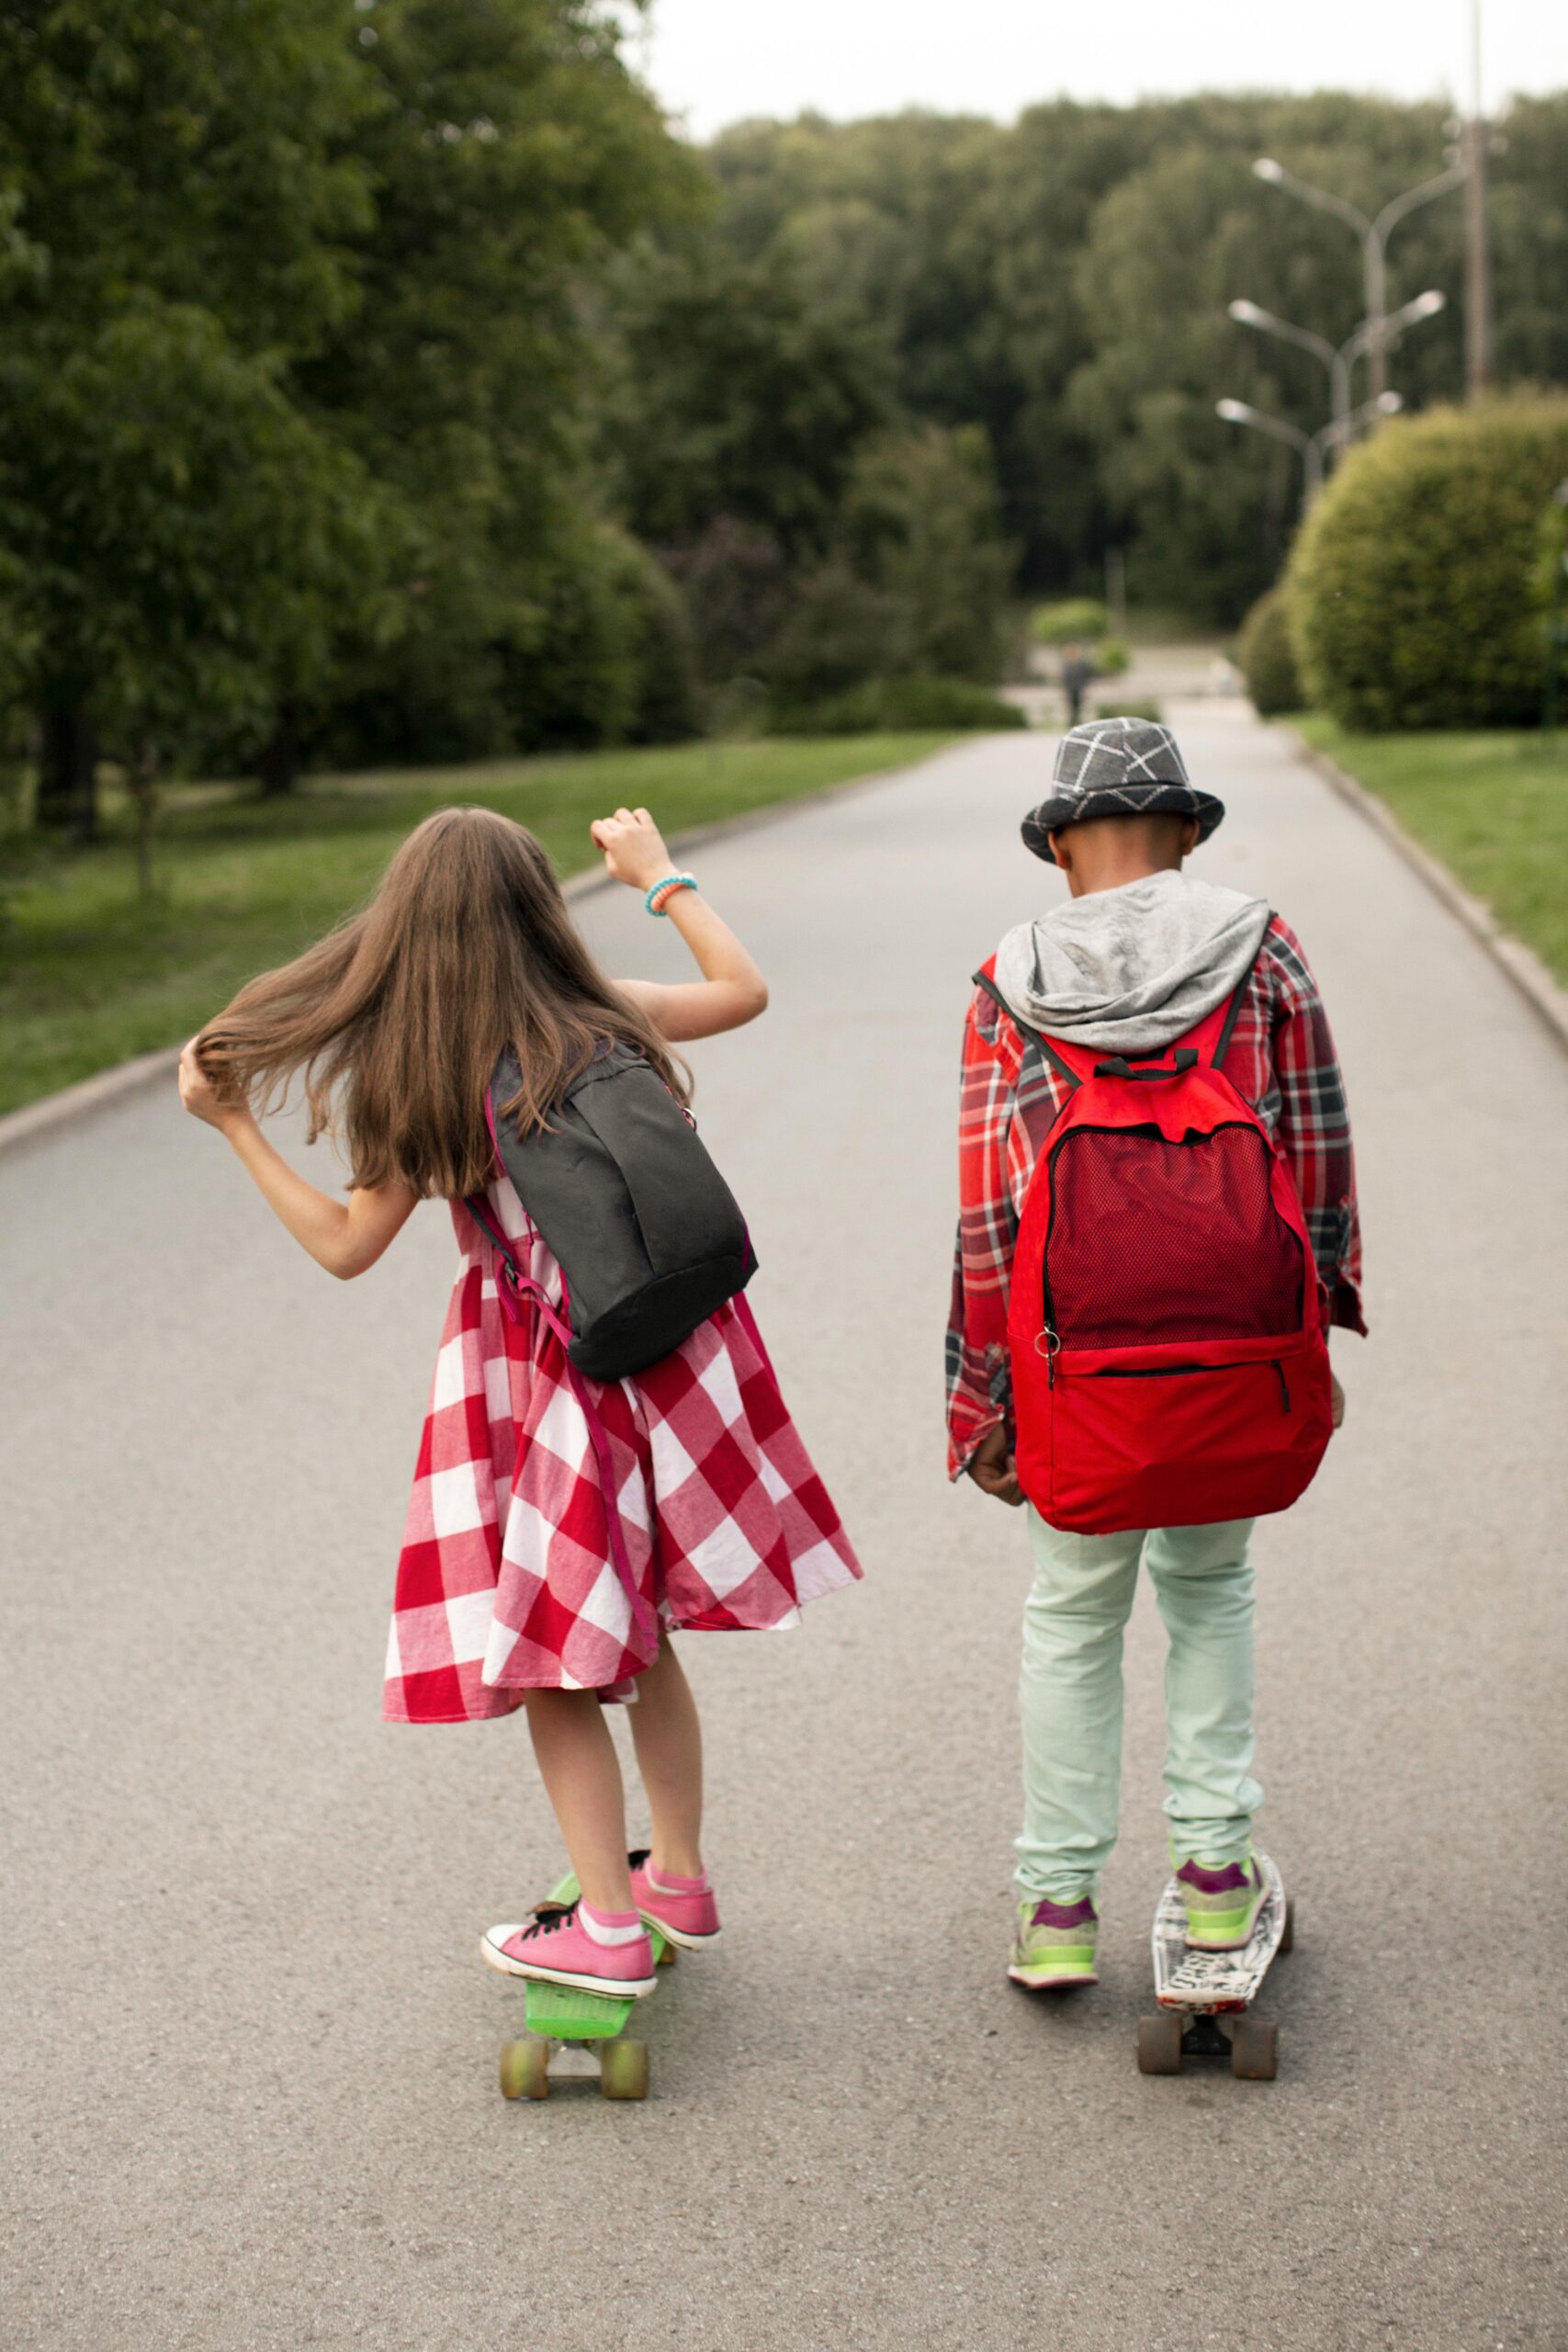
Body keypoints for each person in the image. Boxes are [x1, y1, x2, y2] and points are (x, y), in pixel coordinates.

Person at [179, 804, 860, 2000]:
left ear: (404, 935)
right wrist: (658, 878)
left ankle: (603, 1924)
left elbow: (345, 1248)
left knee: (555, 1662)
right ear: (542, 912)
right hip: (665, 1364)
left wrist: (234, 1124)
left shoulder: (425, 1079)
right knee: (637, 1638)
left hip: (545, 1387)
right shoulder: (606, 1019)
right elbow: (742, 990)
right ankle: (677, 1877)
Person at [946, 718, 1363, 1991]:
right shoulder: (1261, 945)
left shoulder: (1005, 979)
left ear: (1060, 845)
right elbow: (1312, 1147)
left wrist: (980, 1403)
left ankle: (1056, 1905)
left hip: (1075, 1371)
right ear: (1186, 831)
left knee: (1068, 1616)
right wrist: (1323, 1316)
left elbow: (987, 1213)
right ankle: (1214, 1881)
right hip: (1237, 1351)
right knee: (1208, 1589)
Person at [1060, 642, 1096, 727]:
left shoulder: (1081, 664)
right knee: (1071, 707)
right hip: (1070, 689)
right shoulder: (1067, 665)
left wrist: (1085, 687)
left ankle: (1078, 722)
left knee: (1079, 707)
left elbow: (1086, 676)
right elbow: (1065, 679)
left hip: (1079, 689)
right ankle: (1072, 722)